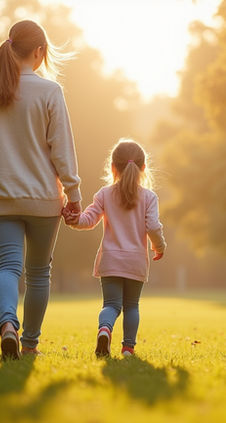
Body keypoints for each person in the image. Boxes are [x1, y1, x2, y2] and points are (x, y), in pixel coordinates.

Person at [0, 20, 81, 359]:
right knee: (38, 273)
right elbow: (62, 151)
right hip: (45, 201)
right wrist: (73, 196)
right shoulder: (50, 91)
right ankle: (29, 345)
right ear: (40, 51)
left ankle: (7, 327)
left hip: (0, 199)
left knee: (7, 268)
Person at [64, 139, 166, 357]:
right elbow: (153, 227)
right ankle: (128, 348)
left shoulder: (104, 194)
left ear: (112, 167)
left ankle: (104, 329)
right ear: (143, 168)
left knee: (111, 304)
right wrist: (159, 246)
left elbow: (88, 220)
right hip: (136, 261)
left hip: (110, 261)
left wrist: (73, 220)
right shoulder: (149, 197)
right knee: (131, 306)